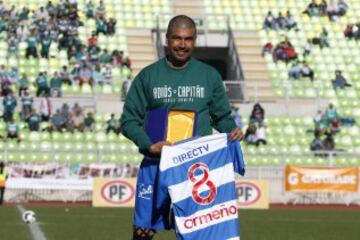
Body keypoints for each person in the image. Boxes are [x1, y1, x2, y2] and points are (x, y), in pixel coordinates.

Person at [120, 15, 243, 240]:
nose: (182, 44)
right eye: (177, 38)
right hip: (156, 164)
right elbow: (128, 121)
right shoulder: (148, 76)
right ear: (167, 39)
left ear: (195, 41)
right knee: (142, 234)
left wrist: (232, 129)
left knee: (197, 234)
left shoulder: (209, 76)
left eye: (188, 39)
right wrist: (149, 145)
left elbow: (222, 117)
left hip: (195, 171)